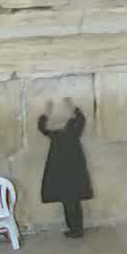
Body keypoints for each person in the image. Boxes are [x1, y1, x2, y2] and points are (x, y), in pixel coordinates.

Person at [38, 98, 93, 237]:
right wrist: (72, 106)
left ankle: (75, 229)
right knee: (74, 202)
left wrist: (47, 112)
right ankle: (76, 229)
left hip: (63, 175)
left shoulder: (57, 136)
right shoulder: (73, 135)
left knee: (68, 203)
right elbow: (81, 119)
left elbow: (42, 128)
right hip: (74, 174)